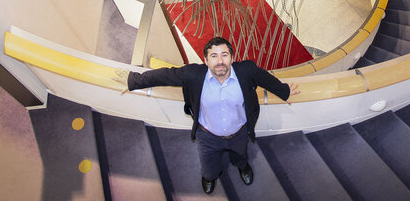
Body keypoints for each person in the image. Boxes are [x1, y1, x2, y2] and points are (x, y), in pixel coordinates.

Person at [119, 37, 300, 195]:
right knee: (208, 164)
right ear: (205, 60)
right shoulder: (193, 75)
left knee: (241, 155)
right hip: (207, 135)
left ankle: (243, 167)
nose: (219, 61)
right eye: (214, 56)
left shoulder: (247, 70)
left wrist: (284, 91)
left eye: (224, 55)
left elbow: (266, 79)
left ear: (232, 58)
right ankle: (210, 177)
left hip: (240, 131)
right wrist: (133, 81)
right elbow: (164, 75)